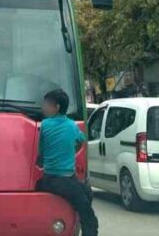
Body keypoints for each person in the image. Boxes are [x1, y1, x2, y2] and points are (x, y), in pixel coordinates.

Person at [36, 89, 98, 236]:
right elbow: (81, 141)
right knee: (87, 208)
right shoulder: (72, 126)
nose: (43, 107)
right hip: (65, 180)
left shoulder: (44, 125)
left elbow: (40, 151)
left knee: (85, 193)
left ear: (56, 107)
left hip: (48, 179)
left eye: (46, 104)